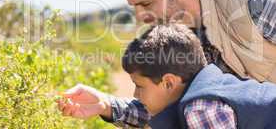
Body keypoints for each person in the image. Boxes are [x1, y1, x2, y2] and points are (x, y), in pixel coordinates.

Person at [58, 0, 276, 128]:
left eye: (146, 4)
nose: (140, 17)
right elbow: (171, 104)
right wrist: (105, 105)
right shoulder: (183, 38)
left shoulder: (259, 0)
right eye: (134, 6)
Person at [58, 24, 276, 128]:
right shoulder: (197, 90)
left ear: (169, 82)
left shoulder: (201, 107)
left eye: (139, 86)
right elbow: (157, 114)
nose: (135, 93)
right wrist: (103, 104)